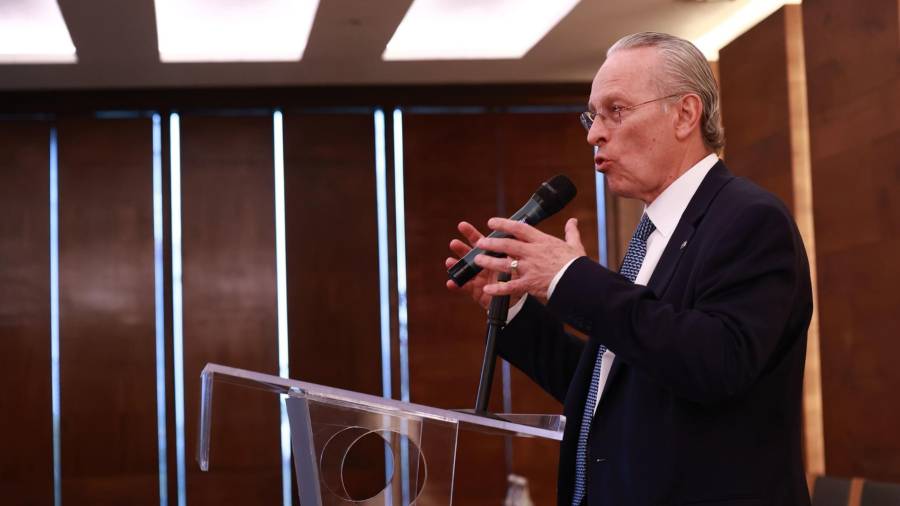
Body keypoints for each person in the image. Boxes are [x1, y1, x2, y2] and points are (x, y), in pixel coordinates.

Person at [445, 32, 813, 506]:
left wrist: (571, 277)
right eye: (592, 115)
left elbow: (715, 363)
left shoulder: (749, 220)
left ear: (685, 114)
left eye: (615, 111)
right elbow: (612, 385)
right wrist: (516, 308)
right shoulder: (653, 232)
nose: (593, 133)